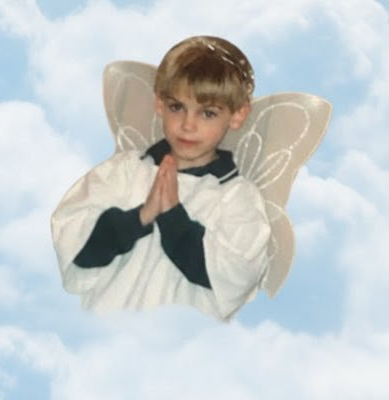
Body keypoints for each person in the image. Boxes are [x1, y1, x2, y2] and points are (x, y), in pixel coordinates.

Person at [51, 36, 271, 321]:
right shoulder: (124, 171)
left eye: (207, 113)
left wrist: (171, 216)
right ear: (159, 103)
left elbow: (235, 277)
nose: (188, 125)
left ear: (237, 115)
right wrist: (140, 217)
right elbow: (76, 247)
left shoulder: (238, 197)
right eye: (177, 107)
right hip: (104, 328)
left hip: (184, 337)